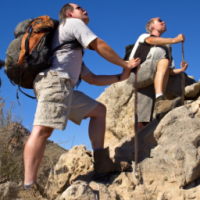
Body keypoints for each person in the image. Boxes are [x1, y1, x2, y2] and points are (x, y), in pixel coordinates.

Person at [23, 3, 141, 190]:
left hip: (63, 87)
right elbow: (99, 45)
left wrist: (120, 77)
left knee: (99, 111)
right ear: (69, 13)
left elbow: (92, 79)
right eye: (79, 7)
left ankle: (102, 164)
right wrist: (125, 63)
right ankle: (27, 187)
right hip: (55, 83)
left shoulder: (71, 50)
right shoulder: (72, 23)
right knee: (43, 130)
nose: (85, 10)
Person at [128, 17, 188, 131]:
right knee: (161, 52)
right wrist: (175, 40)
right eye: (159, 21)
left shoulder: (167, 47)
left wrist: (181, 70)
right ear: (152, 27)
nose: (163, 21)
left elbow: (167, 71)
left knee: (143, 120)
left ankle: (138, 146)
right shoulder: (144, 36)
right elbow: (151, 41)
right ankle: (160, 100)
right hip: (137, 74)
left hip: (150, 78)